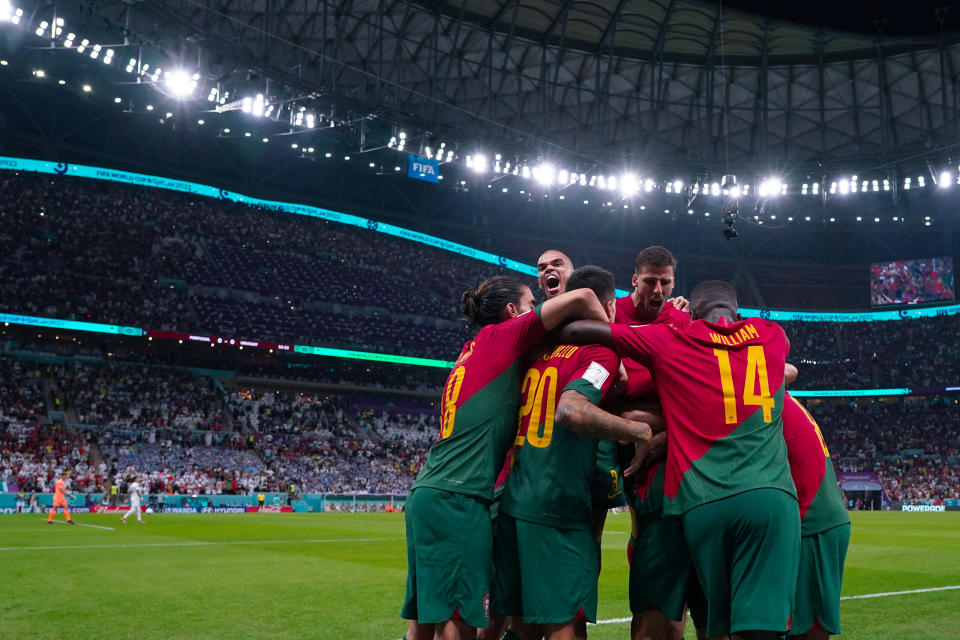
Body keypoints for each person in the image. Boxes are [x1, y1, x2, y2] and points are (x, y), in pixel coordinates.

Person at [561, 280, 800, 640]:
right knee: (754, 627)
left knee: (695, 620)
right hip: (770, 499)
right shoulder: (772, 335)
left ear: (694, 312)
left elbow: (580, 329)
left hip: (700, 504)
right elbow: (787, 370)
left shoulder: (673, 339)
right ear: (736, 312)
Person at [401, 275, 613, 640]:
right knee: (458, 621)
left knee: (422, 622)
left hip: (428, 492)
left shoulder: (471, 350)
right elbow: (585, 295)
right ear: (513, 312)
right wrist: (616, 347)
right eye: (532, 304)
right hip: (459, 497)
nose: (537, 311)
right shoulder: (505, 336)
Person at [494, 266, 654, 640]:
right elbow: (572, 410)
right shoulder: (599, 353)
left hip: (513, 506)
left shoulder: (537, 349)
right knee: (566, 627)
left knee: (522, 629)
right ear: (610, 307)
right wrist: (637, 431)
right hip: (558, 509)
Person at [782, 394, 851, 640]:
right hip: (820, 515)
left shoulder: (762, 399)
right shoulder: (778, 396)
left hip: (813, 519)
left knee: (806, 628)